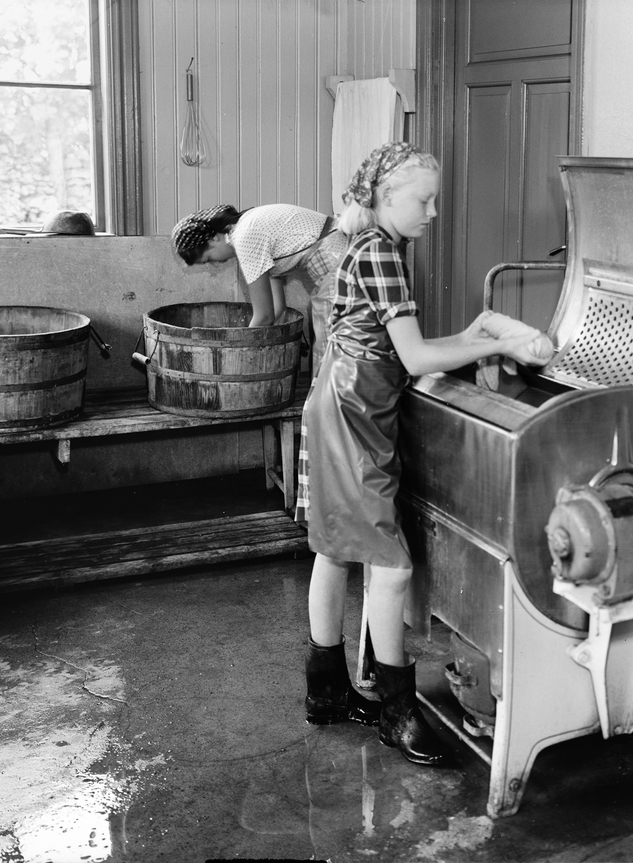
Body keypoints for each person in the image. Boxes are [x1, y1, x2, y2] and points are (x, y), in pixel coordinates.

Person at [296, 142, 554, 766]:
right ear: (387, 199)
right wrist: (485, 348)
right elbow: (414, 359)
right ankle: (396, 710)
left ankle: (326, 692)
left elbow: (396, 343)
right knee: (391, 568)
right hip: (354, 419)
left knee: (333, 550)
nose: (433, 211)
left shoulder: (373, 245)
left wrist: (473, 335)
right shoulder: (382, 253)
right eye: (424, 199)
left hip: (338, 402)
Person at [171, 203, 348, 375]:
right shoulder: (247, 227)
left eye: (209, 259)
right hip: (337, 245)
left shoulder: (244, 238)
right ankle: (329, 396)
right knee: (327, 327)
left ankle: (338, 399)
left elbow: (264, 316)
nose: (215, 266)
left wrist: (239, 354)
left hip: (333, 252)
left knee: (336, 335)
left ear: (213, 238)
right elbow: (277, 310)